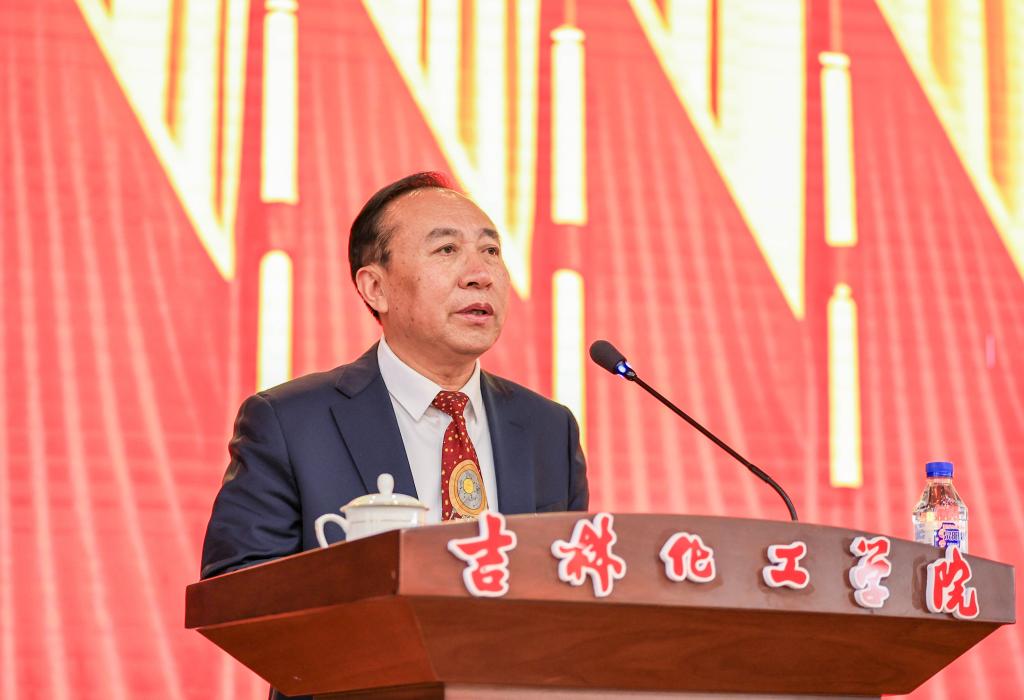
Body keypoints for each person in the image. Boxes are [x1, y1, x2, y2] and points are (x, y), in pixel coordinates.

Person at [200, 169, 589, 577]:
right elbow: (236, 588)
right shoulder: (291, 424)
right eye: (446, 249)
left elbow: (570, 589)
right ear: (375, 288)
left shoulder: (548, 429)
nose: (481, 275)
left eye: (491, 250)